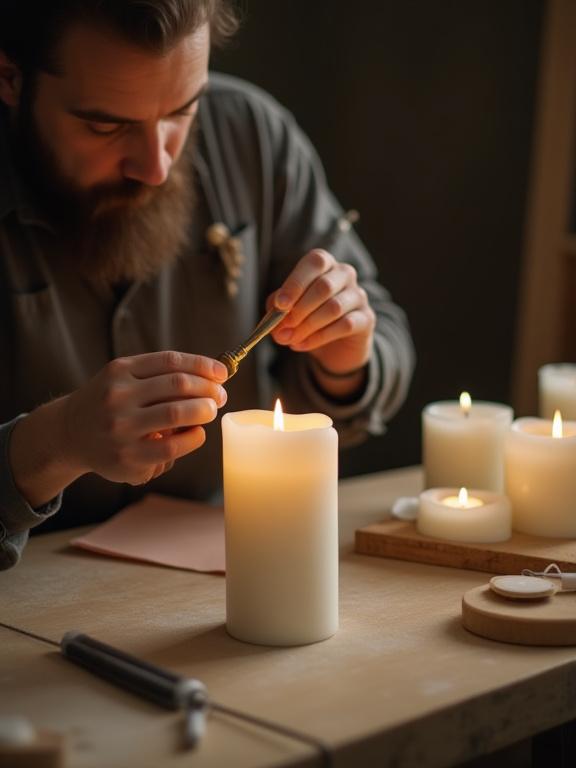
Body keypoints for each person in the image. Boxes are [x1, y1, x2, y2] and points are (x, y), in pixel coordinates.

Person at [0, 0, 415, 570]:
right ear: (10, 78)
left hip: (222, 580)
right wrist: (58, 439)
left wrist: (345, 362)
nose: (157, 166)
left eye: (181, 110)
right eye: (105, 125)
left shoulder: (248, 131)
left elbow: (385, 329)